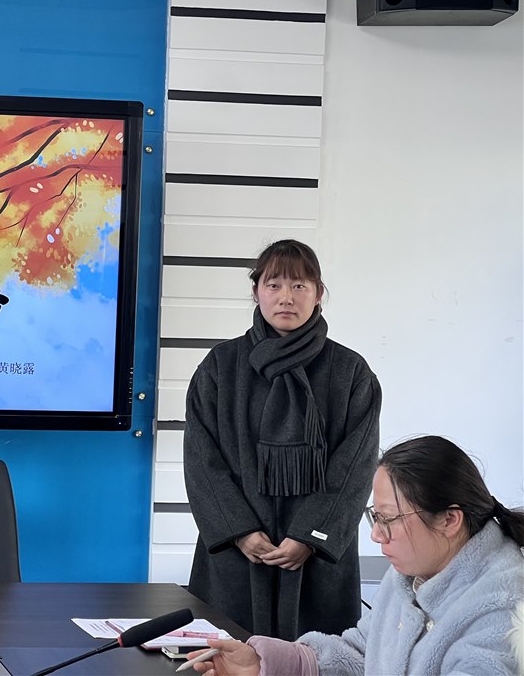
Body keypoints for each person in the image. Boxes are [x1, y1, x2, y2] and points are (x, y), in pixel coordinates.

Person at [185, 435, 524, 676]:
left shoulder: (504, 614)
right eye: (376, 517)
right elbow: (362, 653)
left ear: (449, 520)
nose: (376, 534)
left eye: (388, 519)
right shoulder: (410, 576)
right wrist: (266, 665)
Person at [184, 239, 381, 639]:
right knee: (227, 655)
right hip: (237, 553)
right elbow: (201, 459)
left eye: (299, 286)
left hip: (316, 558)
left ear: (318, 293)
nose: (286, 297)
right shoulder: (220, 366)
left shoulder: (350, 372)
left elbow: (355, 467)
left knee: (318, 658)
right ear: (256, 291)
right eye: (274, 285)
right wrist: (240, 531)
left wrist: (310, 536)